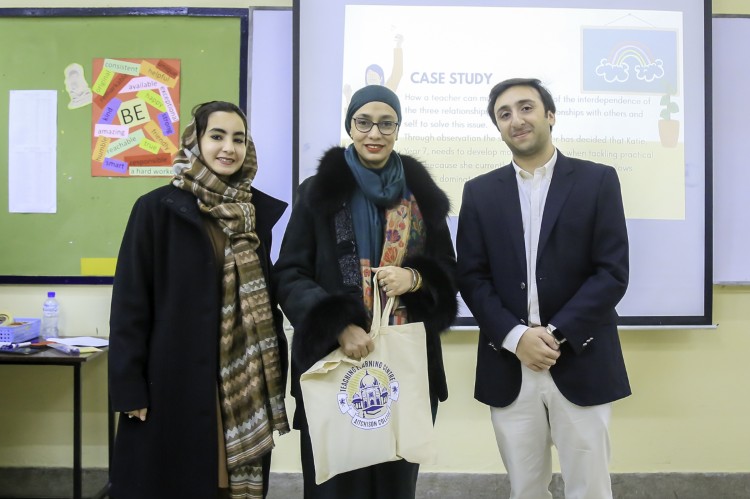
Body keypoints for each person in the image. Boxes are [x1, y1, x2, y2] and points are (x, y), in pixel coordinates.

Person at [274, 85, 457, 499]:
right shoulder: (318, 191)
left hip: (406, 367)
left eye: (386, 123)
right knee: (335, 487)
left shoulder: (422, 196)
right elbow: (289, 273)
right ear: (350, 126)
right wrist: (337, 325)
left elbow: (449, 271)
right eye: (364, 122)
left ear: (398, 128)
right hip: (334, 362)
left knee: (395, 485)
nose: (375, 133)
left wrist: (416, 279)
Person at [456, 78, 631, 499]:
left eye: (526, 107)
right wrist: (518, 338)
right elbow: (472, 277)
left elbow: (612, 273)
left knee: (589, 488)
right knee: (525, 489)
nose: (516, 120)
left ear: (550, 115)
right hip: (509, 362)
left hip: (580, 354)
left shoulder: (597, 181)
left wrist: (554, 335)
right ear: (498, 128)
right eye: (504, 114)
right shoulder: (479, 192)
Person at [108, 101, 290, 499]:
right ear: (195, 142)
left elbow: (266, 302)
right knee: (173, 484)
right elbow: (130, 304)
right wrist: (128, 386)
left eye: (238, 139)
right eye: (217, 136)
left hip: (242, 384)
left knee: (225, 486)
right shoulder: (156, 209)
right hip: (173, 380)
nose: (229, 148)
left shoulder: (253, 215)